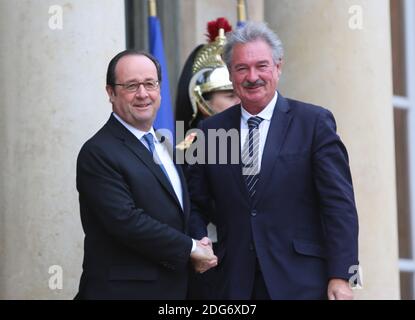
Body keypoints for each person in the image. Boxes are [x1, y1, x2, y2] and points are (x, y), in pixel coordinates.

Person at [187, 21, 359, 300]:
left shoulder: (313, 123)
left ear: (278, 67)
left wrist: (344, 277)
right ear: (231, 74)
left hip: (302, 283)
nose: (252, 76)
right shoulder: (211, 132)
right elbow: (195, 200)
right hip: (234, 284)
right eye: (242, 68)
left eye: (262, 66)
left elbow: (340, 207)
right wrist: (199, 241)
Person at [75, 49, 217, 300]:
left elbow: (177, 212)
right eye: (131, 85)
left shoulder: (164, 144)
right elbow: (126, 221)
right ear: (111, 93)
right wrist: (192, 248)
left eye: (150, 84)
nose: (143, 94)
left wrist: (199, 240)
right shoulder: (98, 152)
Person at [175, 18, 240, 300]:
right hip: (211, 264)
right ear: (202, 100)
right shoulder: (188, 148)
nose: (240, 101)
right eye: (230, 95)